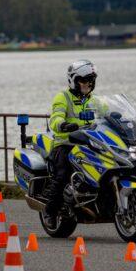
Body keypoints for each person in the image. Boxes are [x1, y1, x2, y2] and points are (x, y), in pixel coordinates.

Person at [44, 60, 98, 229]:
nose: (87, 84)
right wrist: (62, 124)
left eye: (90, 80)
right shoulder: (63, 97)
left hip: (89, 143)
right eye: (83, 80)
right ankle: (49, 212)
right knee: (62, 174)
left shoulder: (95, 101)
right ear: (73, 81)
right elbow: (56, 117)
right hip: (66, 143)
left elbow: (108, 115)